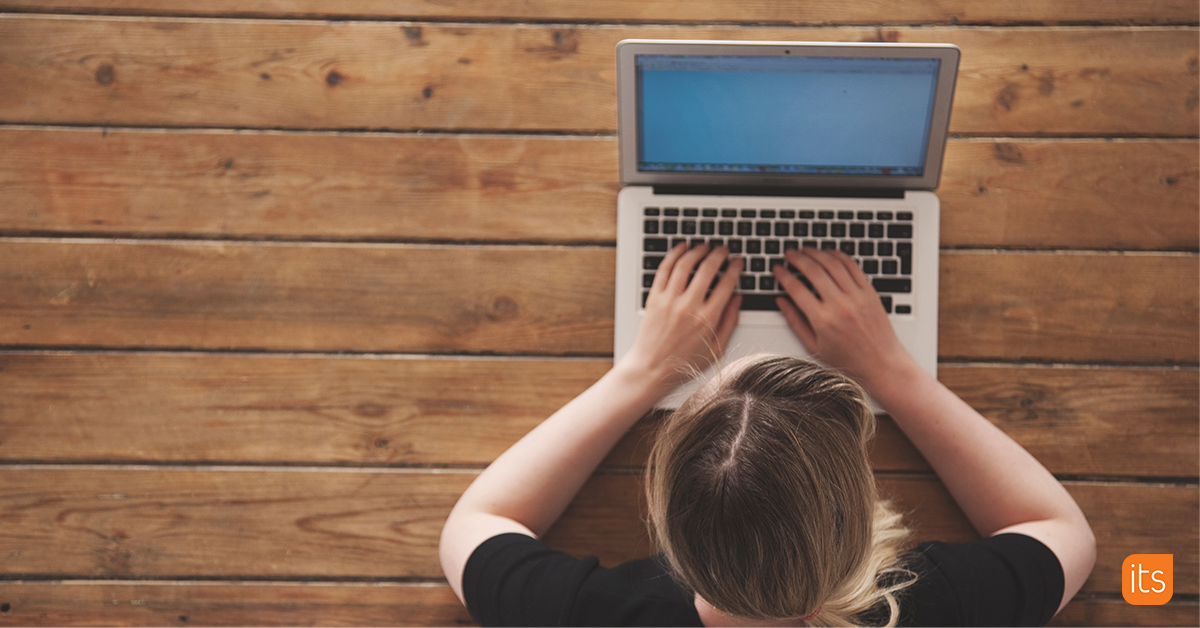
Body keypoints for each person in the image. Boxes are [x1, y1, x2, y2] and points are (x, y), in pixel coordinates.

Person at [439, 243, 1096, 628]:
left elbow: (476, 522)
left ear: (668, 522)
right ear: (857, 520)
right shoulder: (925, 606)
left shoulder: (597, 613)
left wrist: (640, 374)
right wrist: (891, 370)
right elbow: (1062, 533)